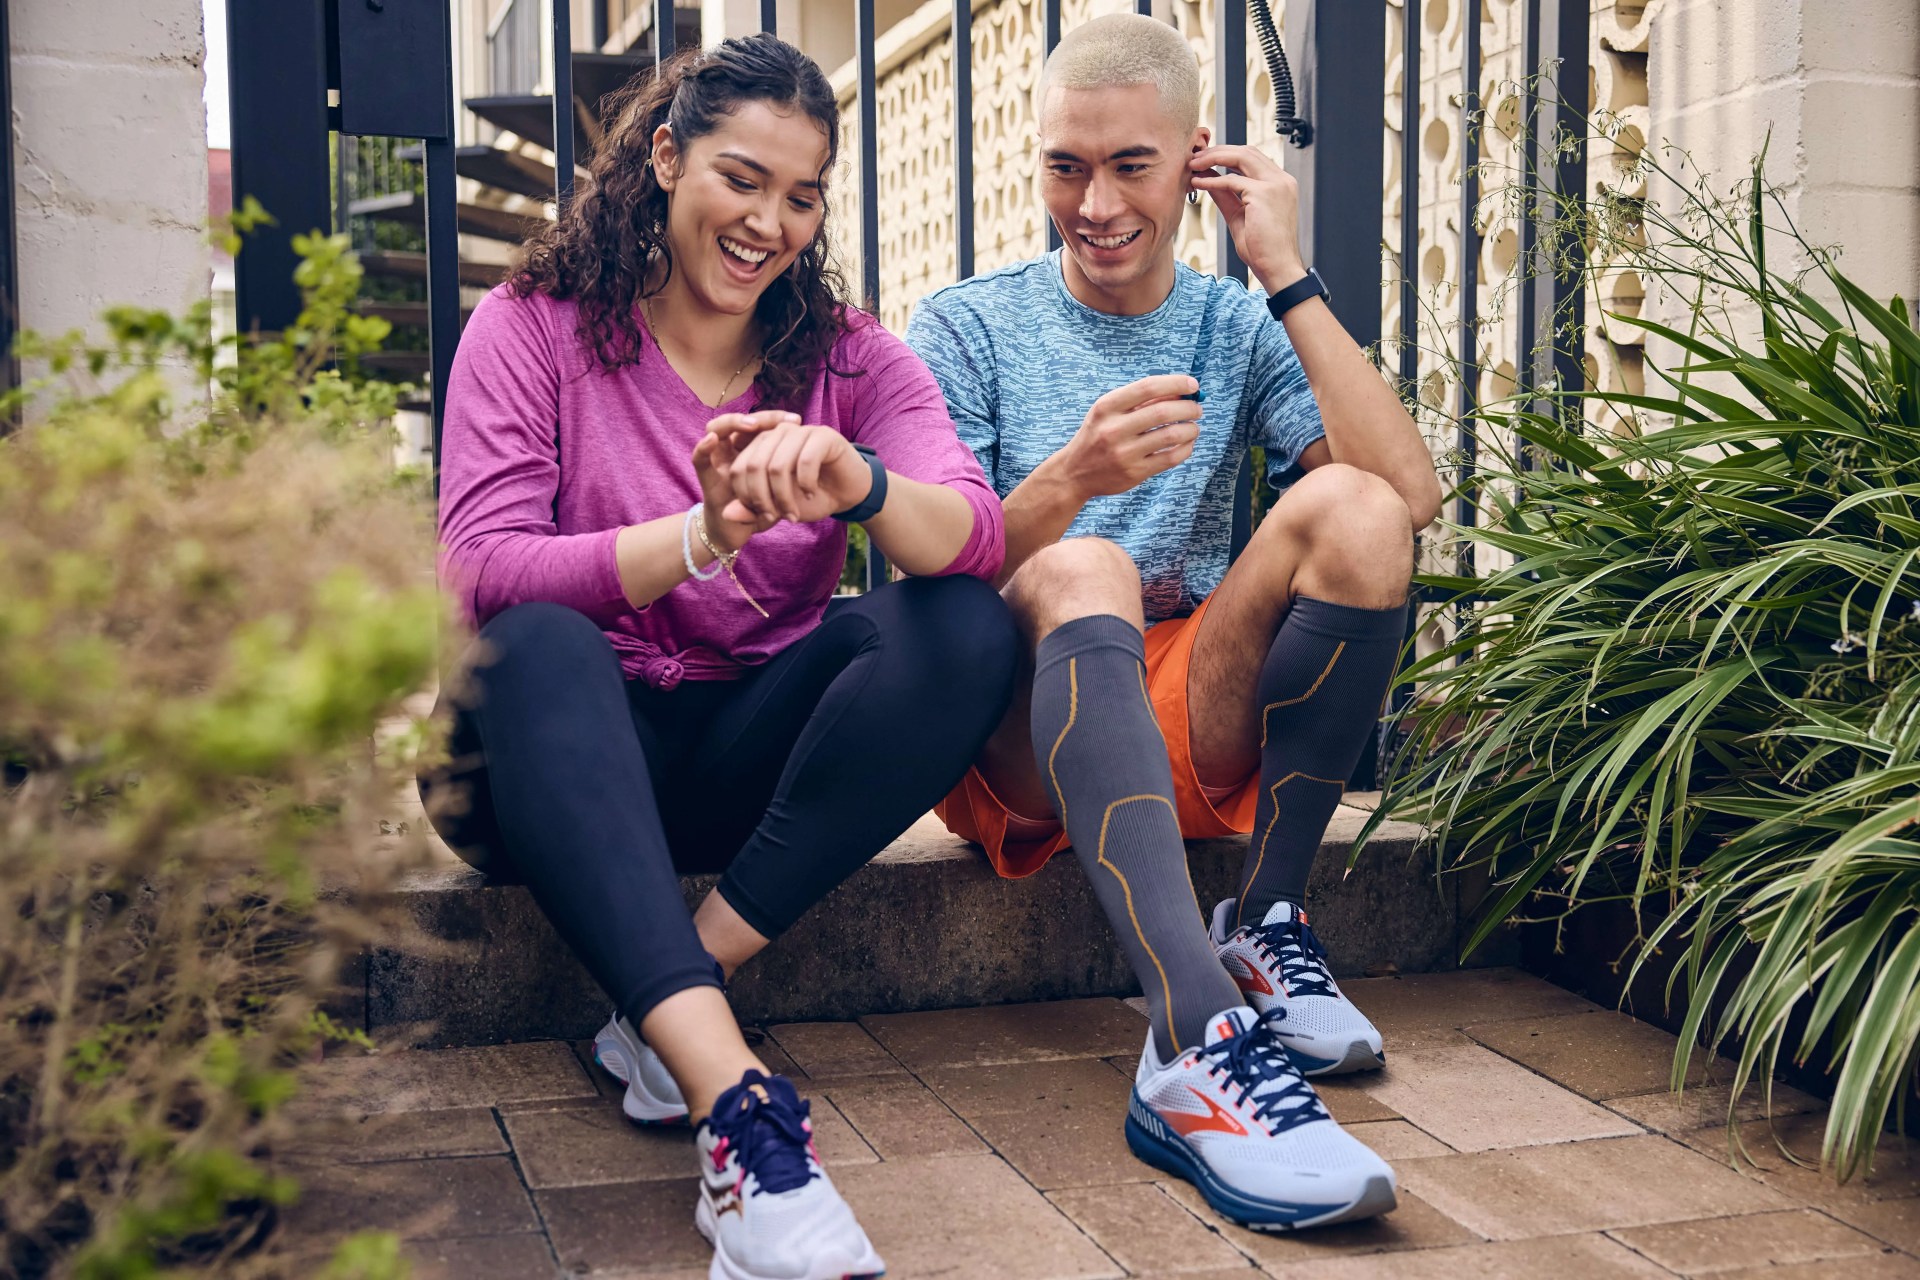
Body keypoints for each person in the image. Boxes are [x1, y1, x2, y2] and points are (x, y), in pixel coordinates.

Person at [423, 34, 1019, 1280]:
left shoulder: (846, 356)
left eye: (802, 195)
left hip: (734, 747)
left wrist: (861, 484)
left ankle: (671, 1000)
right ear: (663, 155)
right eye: (742, 179)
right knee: (533, 637)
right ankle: (738, 1108)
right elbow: (484, 567)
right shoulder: (533, 328)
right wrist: (695, 537)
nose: (769, 222)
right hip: (547, 758)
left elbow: (975, 529)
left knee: (963, 619)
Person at [904, 14, 1443, 1231]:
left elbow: (1409, 500)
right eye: (1064, 166)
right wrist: (1069, 485)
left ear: (1195, 156)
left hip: (1179, 703)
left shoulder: (1231, 326)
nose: (1093, 203)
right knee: (1083, 561)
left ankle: (1267, 925)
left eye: (1130, 166)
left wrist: (1285, 273)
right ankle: (1194, 1038)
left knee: (1353, 511)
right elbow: (932, 591)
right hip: (1019, 726)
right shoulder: (966, 326)